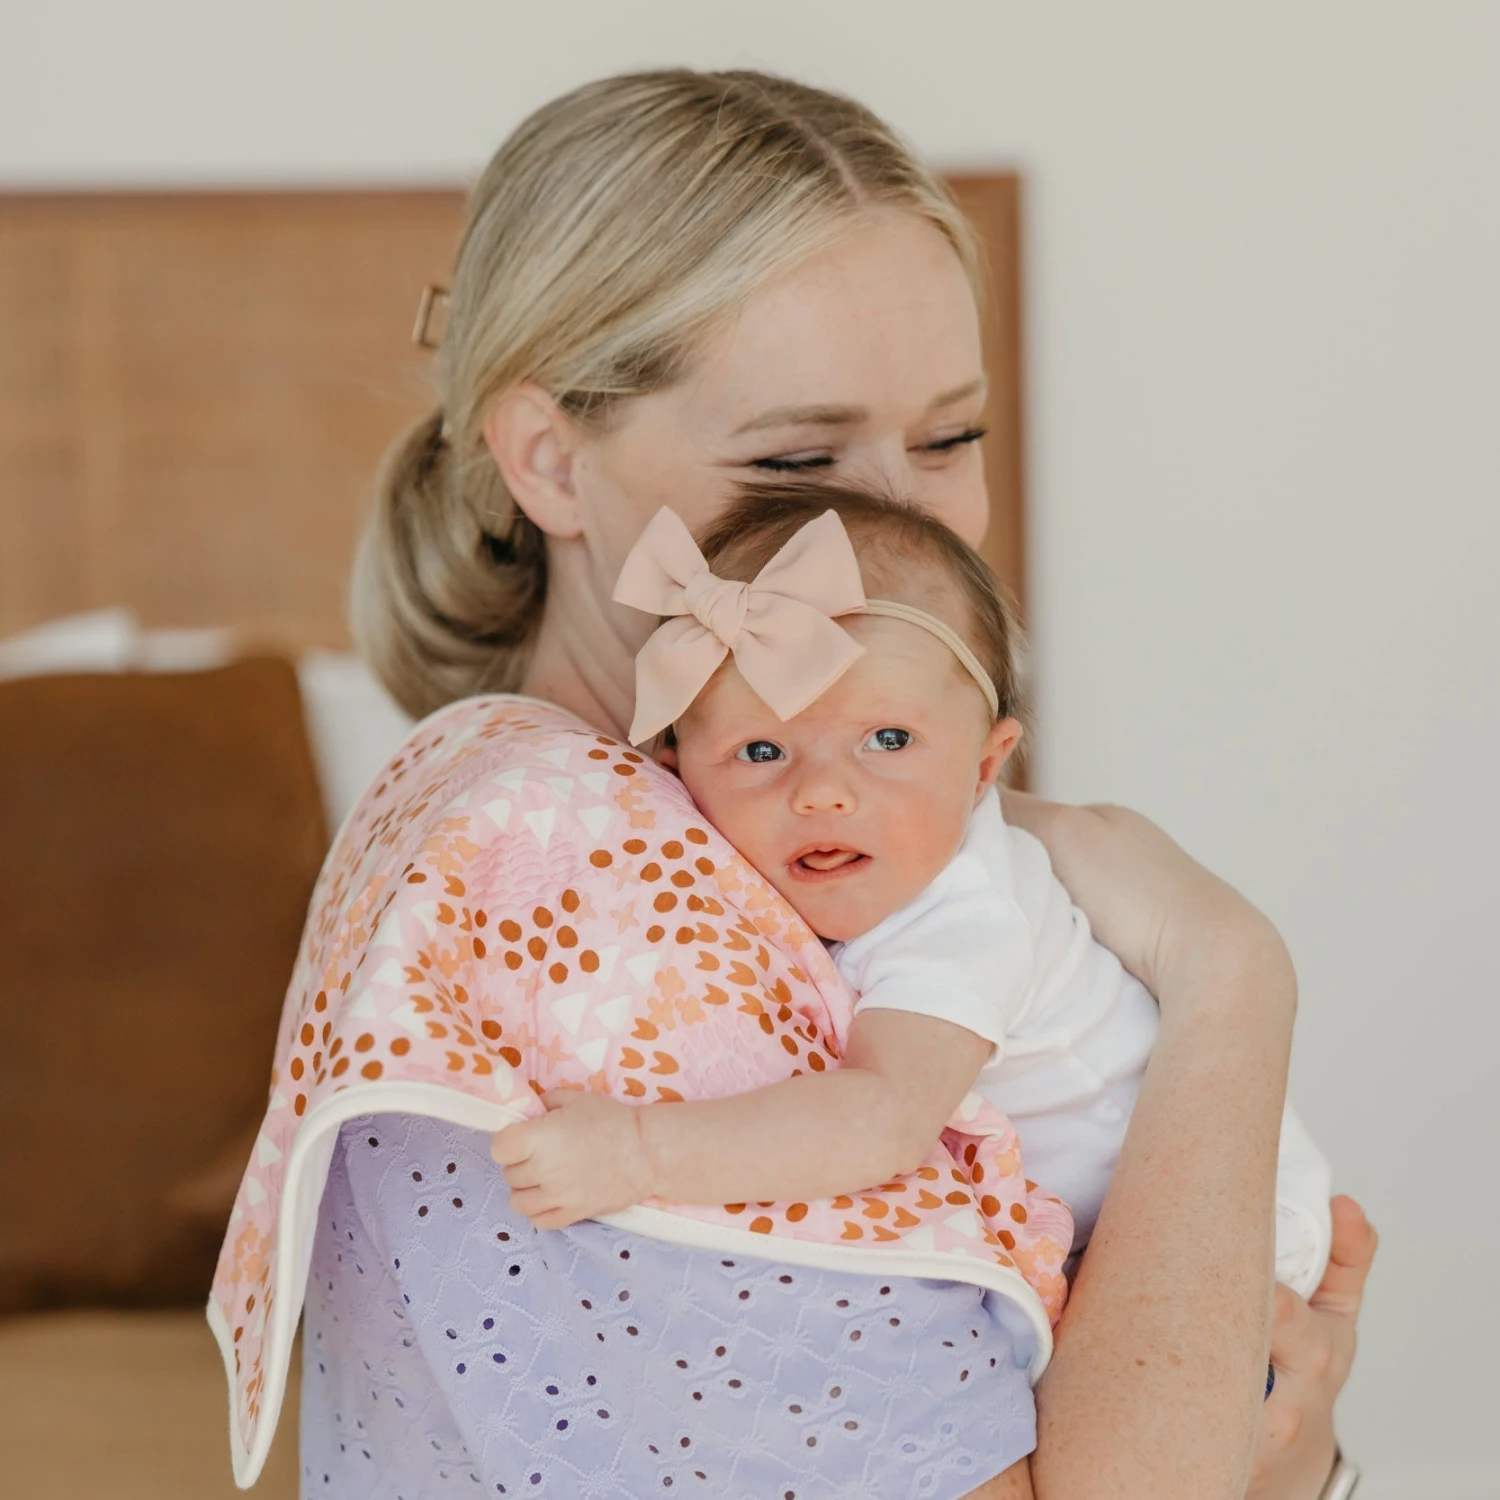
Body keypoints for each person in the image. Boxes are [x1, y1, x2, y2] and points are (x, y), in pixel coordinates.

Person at [211, 69, 1375, 1500]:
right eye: (796, 460)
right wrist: (1232, 974)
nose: (903, 529)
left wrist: (1283, 1446)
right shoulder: (574, 880)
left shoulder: (744, 839)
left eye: (950, 438)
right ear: (551, 463)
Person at [489, 484, 1334, 1307]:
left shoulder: (965, 916)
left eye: (888, 740)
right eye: (759, 752)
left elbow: (881, 1119)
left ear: (984, 767)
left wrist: (637, 1152)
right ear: (676, 778)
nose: (823, 794)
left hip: (1228, 1231)